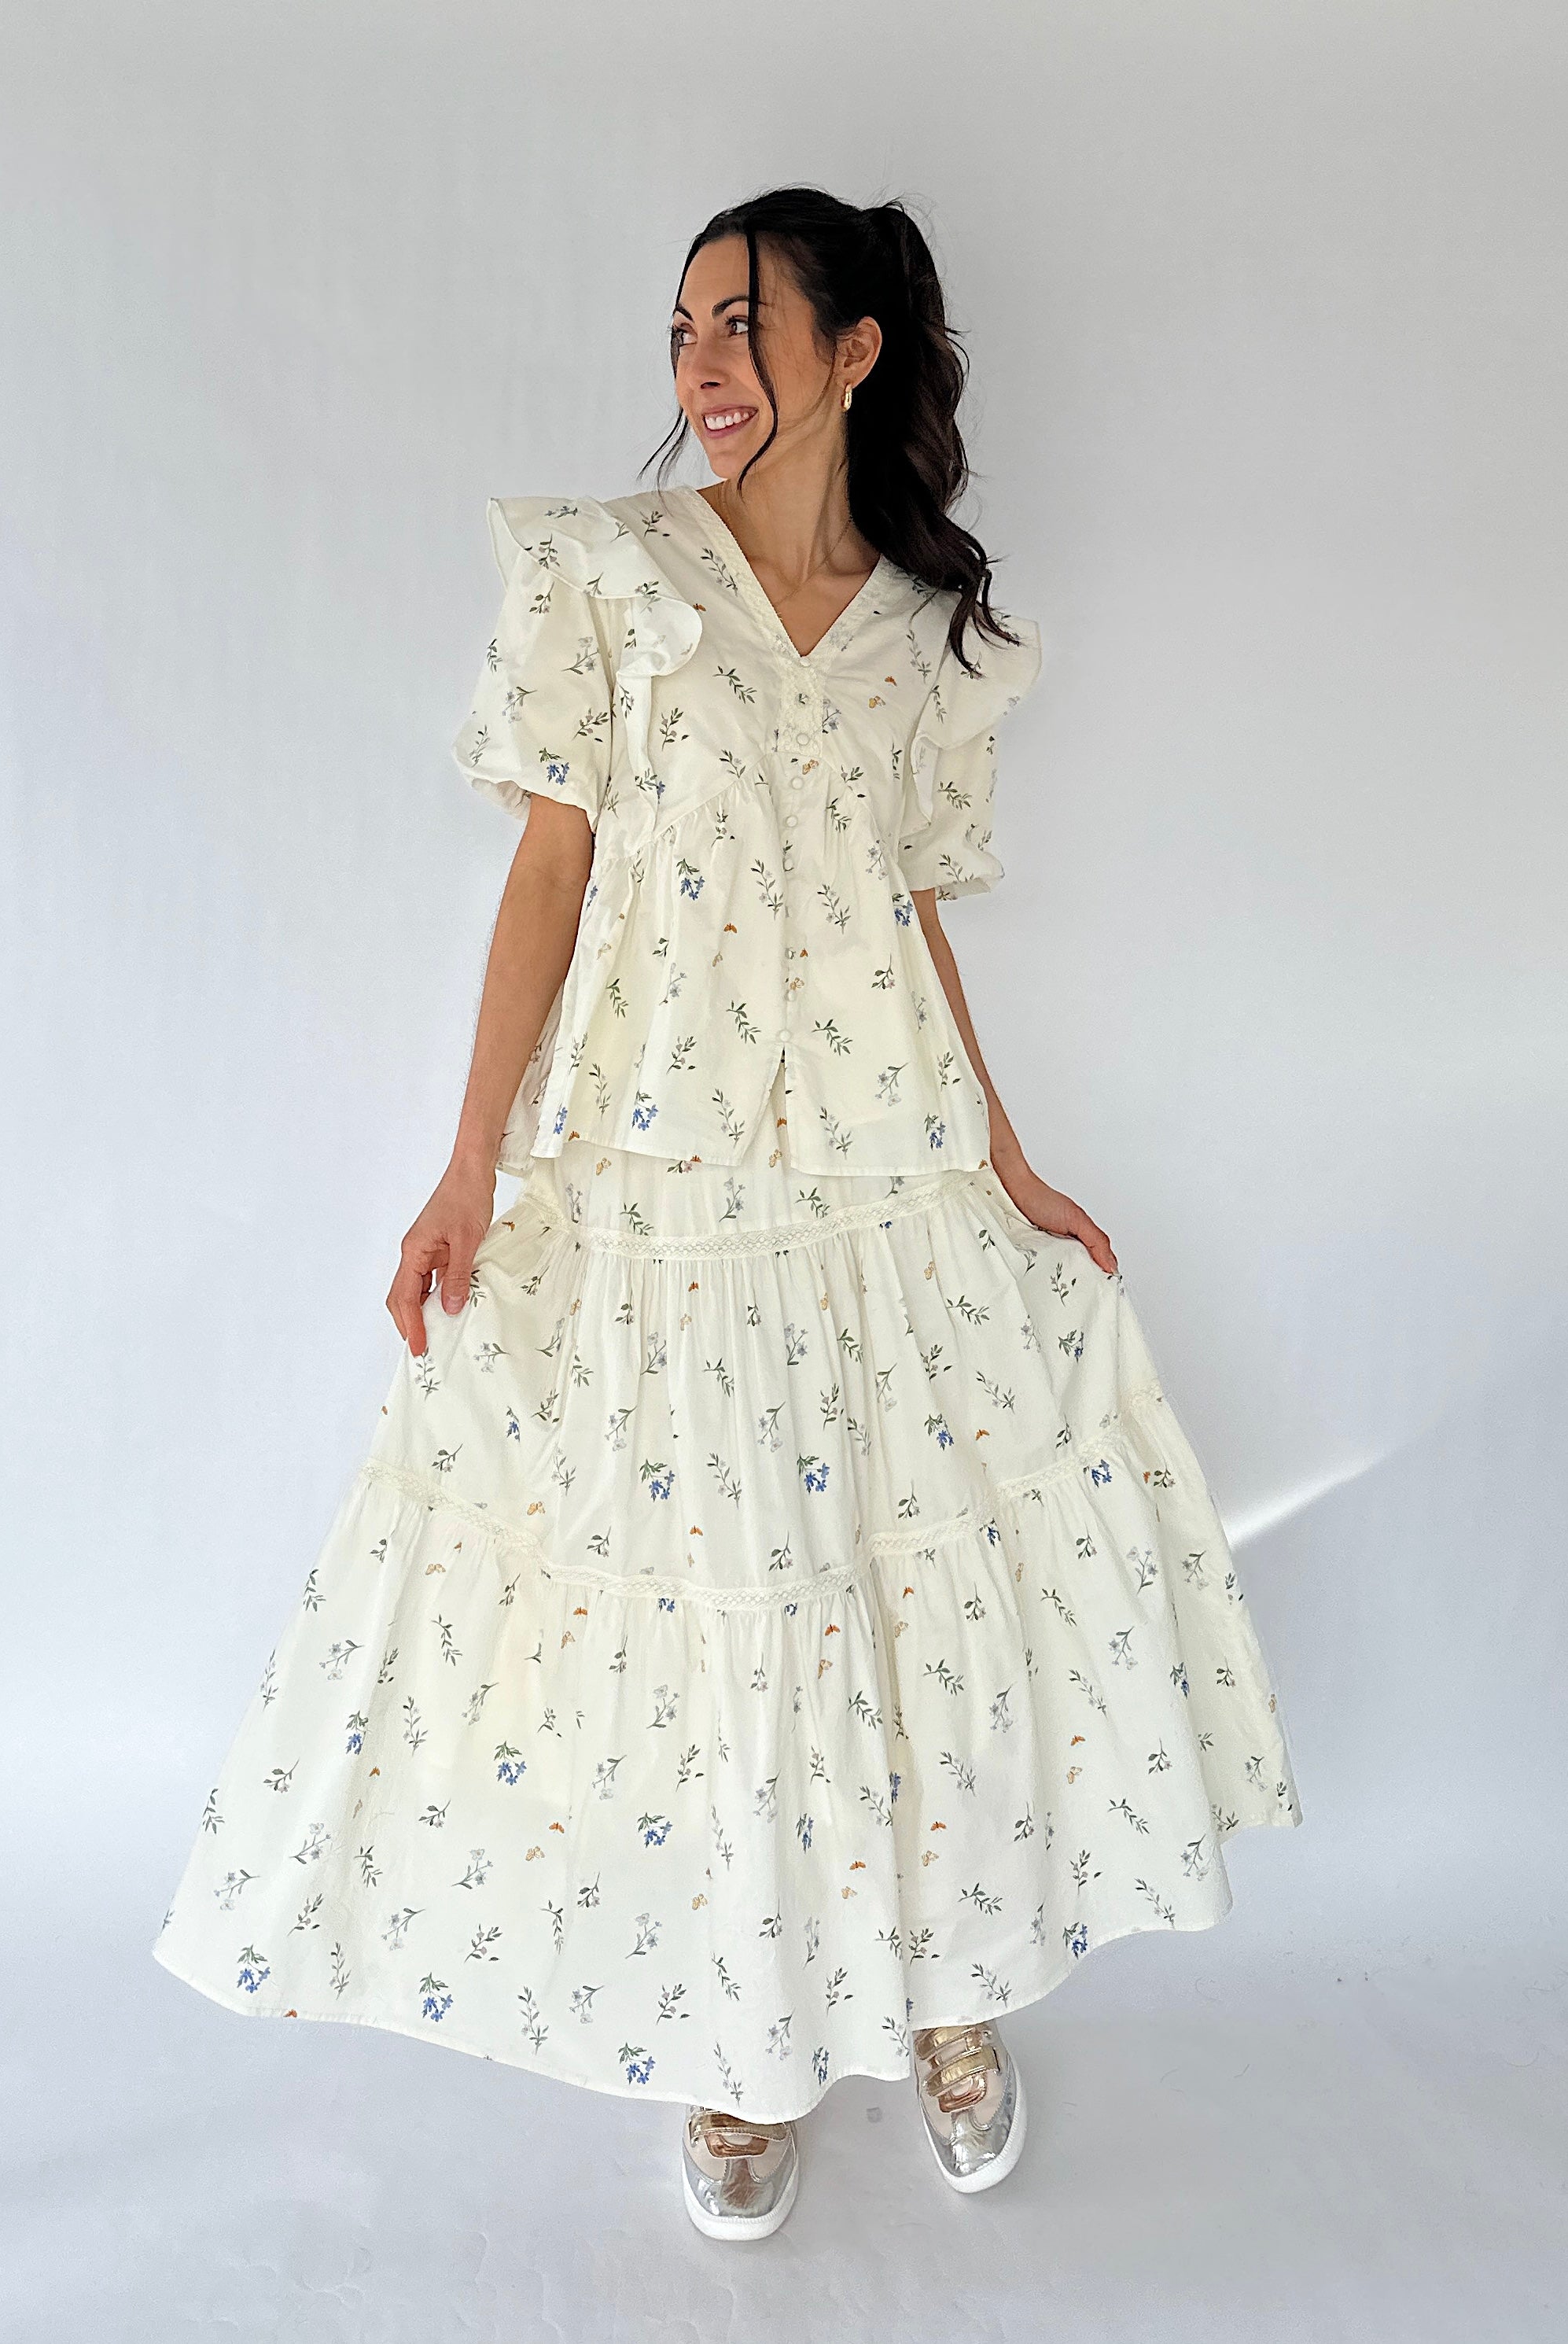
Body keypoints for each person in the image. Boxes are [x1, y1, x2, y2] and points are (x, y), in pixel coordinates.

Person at [152, 185, 1301, 2242]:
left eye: (738, 321)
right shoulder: (604, 580)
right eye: (677, 328)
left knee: (915, 1597)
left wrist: (1004, 1156)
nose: (696, 365)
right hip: (657, 1177)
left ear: (852, 350)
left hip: (882, 1175)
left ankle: (951, 1990)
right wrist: (469, 1160)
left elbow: (913, 910)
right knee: (711, 1621)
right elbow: (545, 873)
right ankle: (732, 2026)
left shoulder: (926, 634)